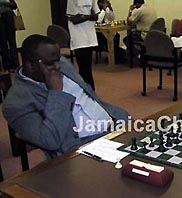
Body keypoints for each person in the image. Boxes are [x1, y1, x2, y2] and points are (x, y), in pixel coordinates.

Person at [2, 35, 130, 159]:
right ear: (30, 66)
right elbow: (50, 140)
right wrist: (56, 93)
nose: (58, 66)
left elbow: (87, 92)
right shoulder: (16, 103)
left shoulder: (60, 63)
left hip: (115, 124)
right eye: (51, 63)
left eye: (58, 59)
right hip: (83, 147)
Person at [66, 0, 101, 90]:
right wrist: (89, 16)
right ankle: (89, 90)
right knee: (83, 67)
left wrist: (84, 17)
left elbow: (96, 16)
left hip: (89, 37)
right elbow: (74, 19)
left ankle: (88, 90)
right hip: (79, 38)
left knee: (88, 67)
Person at [0, 0, 19, 72]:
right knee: (2, 42)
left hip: (9, 15)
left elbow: (14, 6)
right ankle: (6, 66)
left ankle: (15, 65)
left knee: (12, 41)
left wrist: (4, 3)